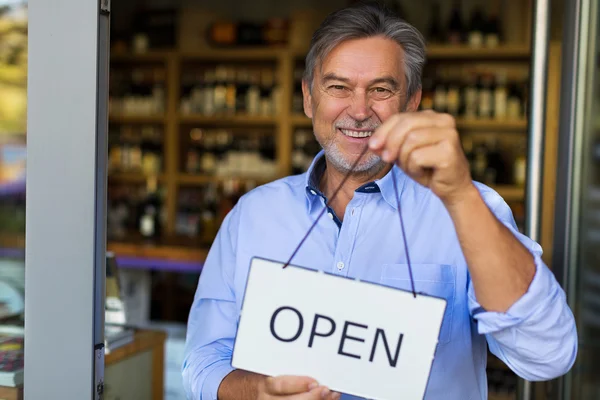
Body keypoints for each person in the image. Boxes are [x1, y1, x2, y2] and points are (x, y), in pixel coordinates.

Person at [182, 2, 577, 399]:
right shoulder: (252, 215)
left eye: (381, 90)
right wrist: (257, 392)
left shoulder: (472, 210)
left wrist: (459, 196)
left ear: (411, 101)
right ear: (307, 98)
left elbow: (547, 356)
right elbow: (204, 360)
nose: (358, 111)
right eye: (338, 87)